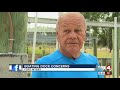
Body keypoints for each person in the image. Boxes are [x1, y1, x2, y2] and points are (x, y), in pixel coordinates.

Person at [31, 12, 105, 78]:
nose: (72, 36)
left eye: (78, 30)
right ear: (57, 35)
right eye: (66, 31)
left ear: (85, 35)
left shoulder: (93, 62)